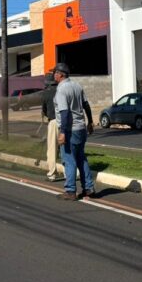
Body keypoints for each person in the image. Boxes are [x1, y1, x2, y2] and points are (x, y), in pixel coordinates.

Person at [53, 63, 95, 200]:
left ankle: (70, 191)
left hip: (70, 130)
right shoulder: (77, 86)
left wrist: (63, 132)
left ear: (60, 74)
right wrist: (90, 122)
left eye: (55, 72)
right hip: (81, 128)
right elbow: (86, 105)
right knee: (81, 158)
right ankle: (88, 188)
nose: (54, 75)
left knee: (69, 160)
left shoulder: (61, 90)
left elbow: (64, 113)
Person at [41, 72, 61, 182]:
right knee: (66, 148)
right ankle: (72, 172)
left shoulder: (46, 93)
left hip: (53, 121)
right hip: (65, 121)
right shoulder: (61, 90)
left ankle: (52, 173)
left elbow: (44, 110)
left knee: (52, 149)